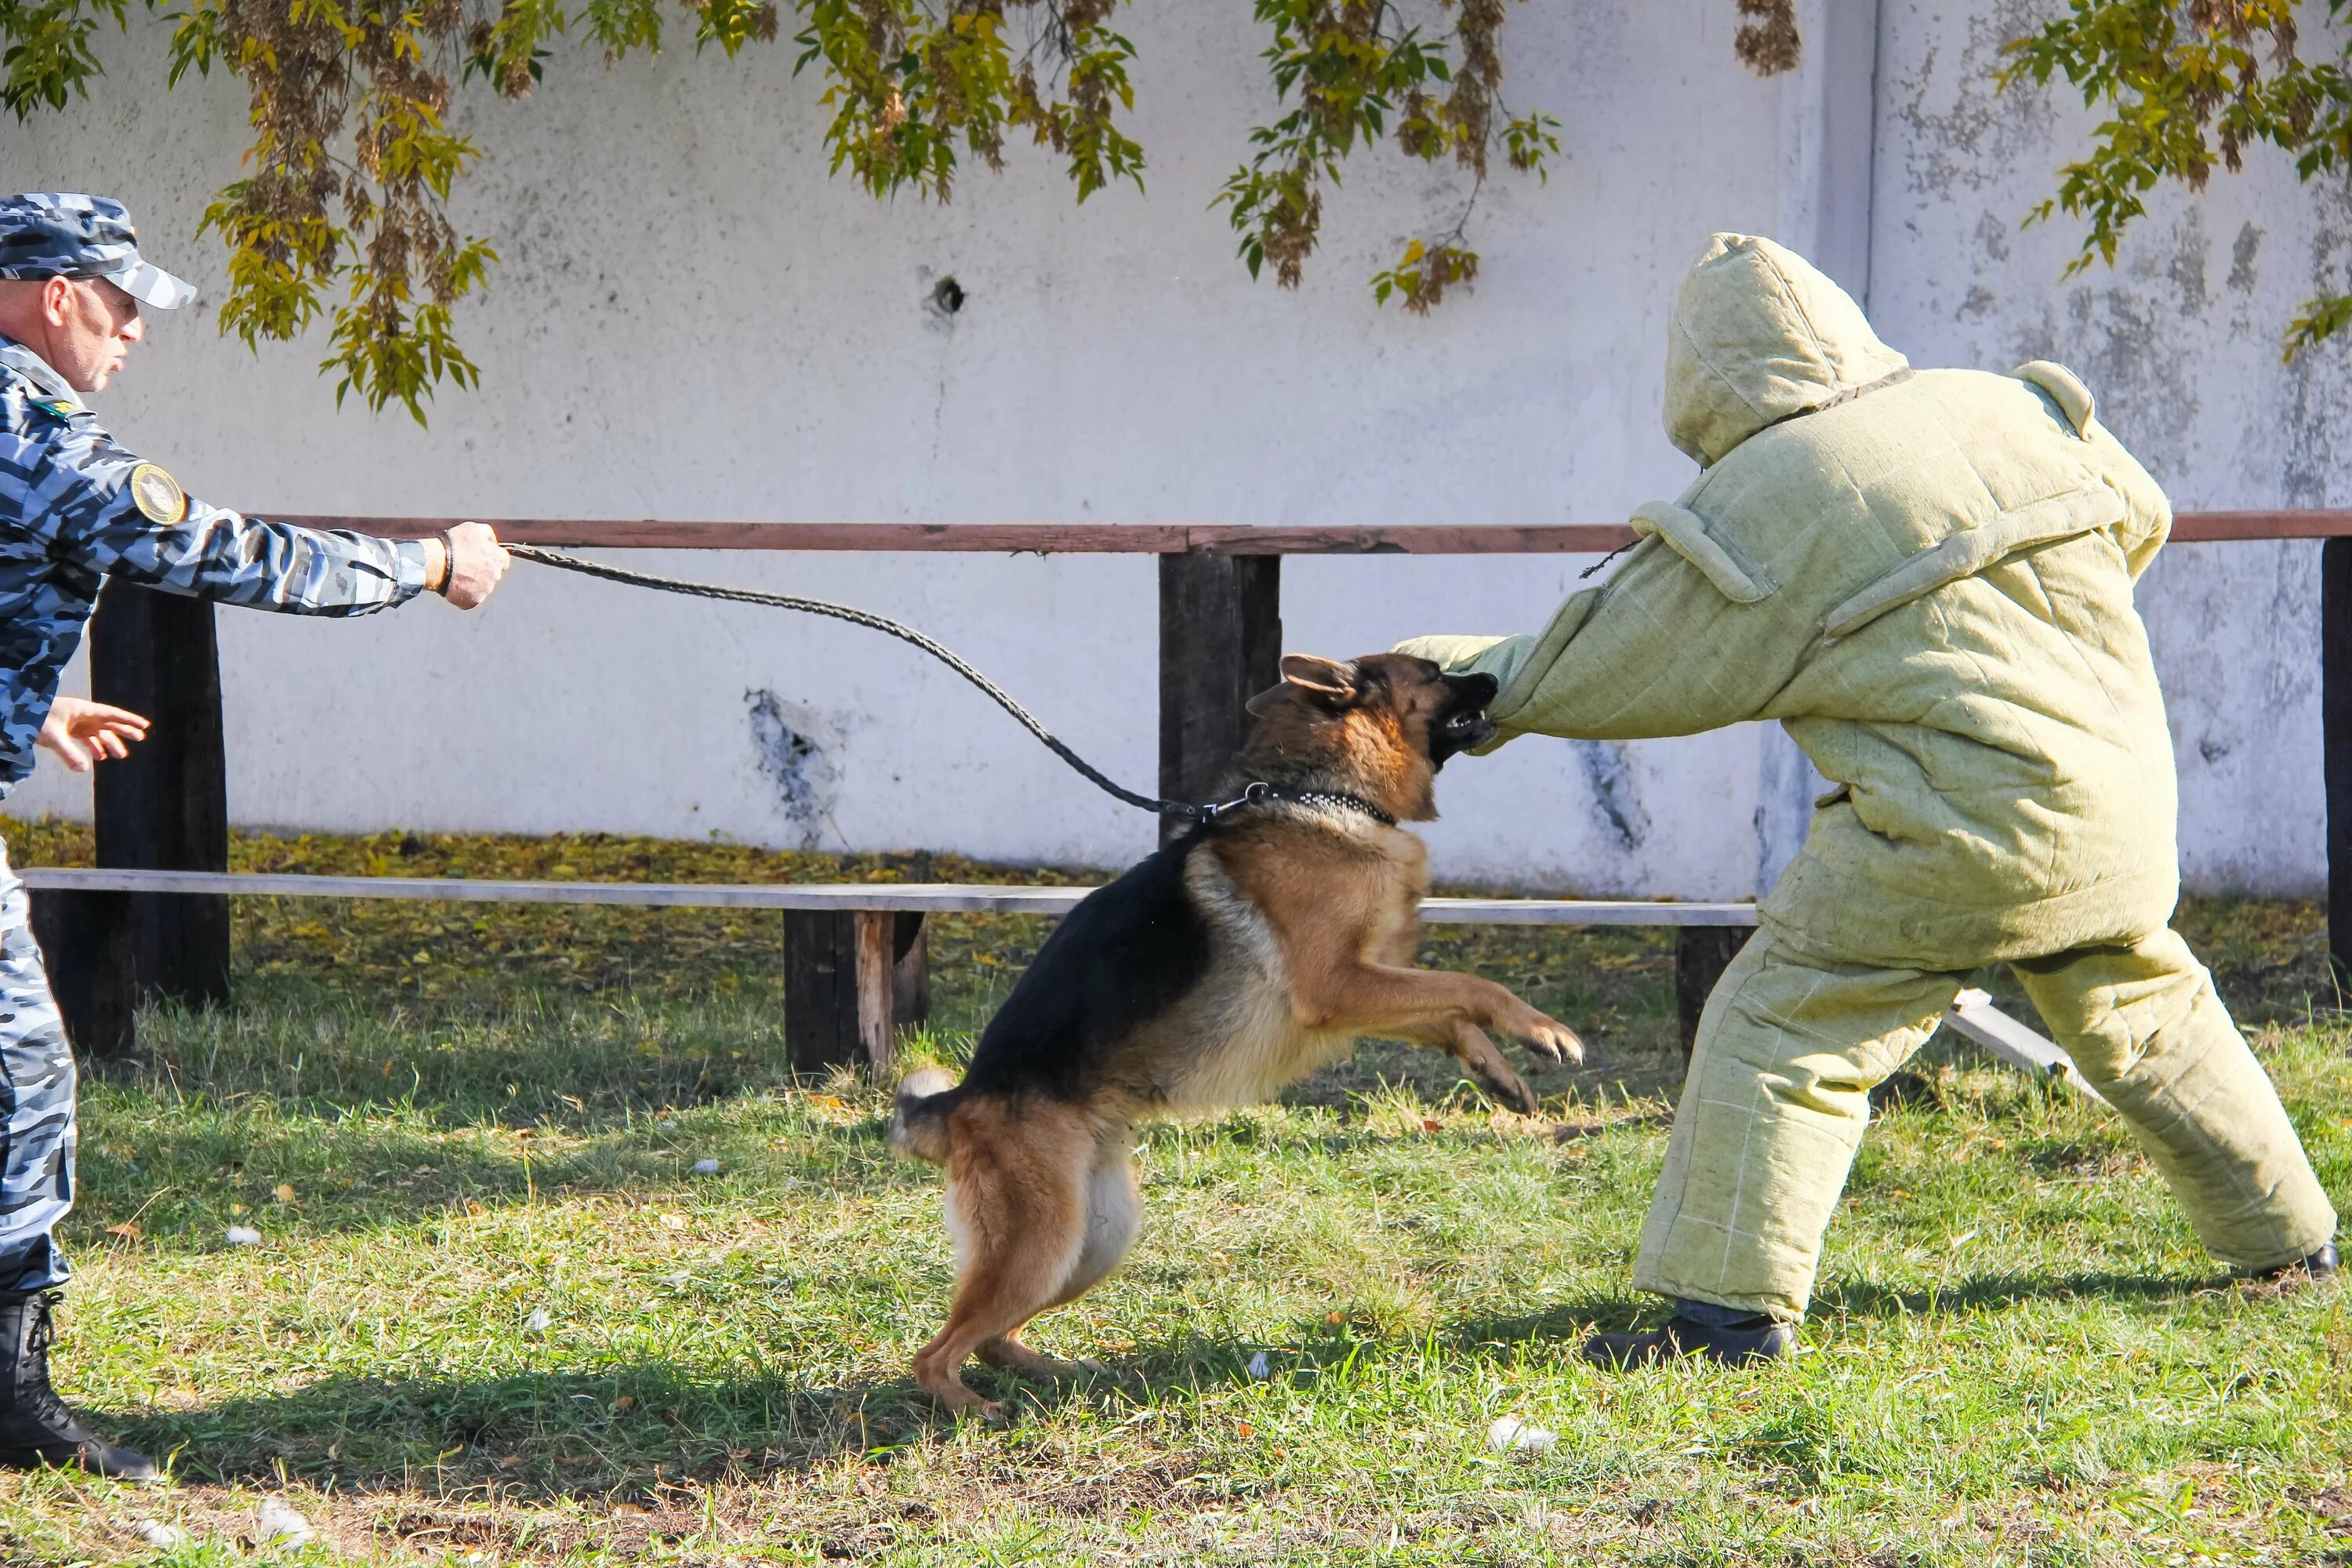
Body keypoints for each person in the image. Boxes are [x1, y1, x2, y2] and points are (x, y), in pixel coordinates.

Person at [1398, 232, 2339, 1367]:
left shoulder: (1783, 491)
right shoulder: (2006, 407)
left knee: (1786, 1023)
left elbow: (1611, 658)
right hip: (2119, 801)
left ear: (1704, 385)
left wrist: (1421, 681)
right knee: (2148, 1007)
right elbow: (2141, 514)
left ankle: (1726, 1319)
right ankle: (2290, 1243)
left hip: (1951, 831)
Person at [0, 191, 511, 1477]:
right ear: (57, 295)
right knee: (24, 1078)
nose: (133, 338)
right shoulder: (36, 434)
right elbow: (229, 554)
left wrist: (24, 704)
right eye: (122, 308)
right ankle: (6, 1401)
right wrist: (427, 566)